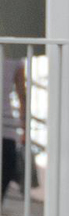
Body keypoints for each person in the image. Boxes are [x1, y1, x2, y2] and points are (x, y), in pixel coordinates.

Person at [2, 58, 26, 198]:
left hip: (7, 128)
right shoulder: (14, 57)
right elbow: (22, 95)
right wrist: (24, 130)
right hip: (7, 128)